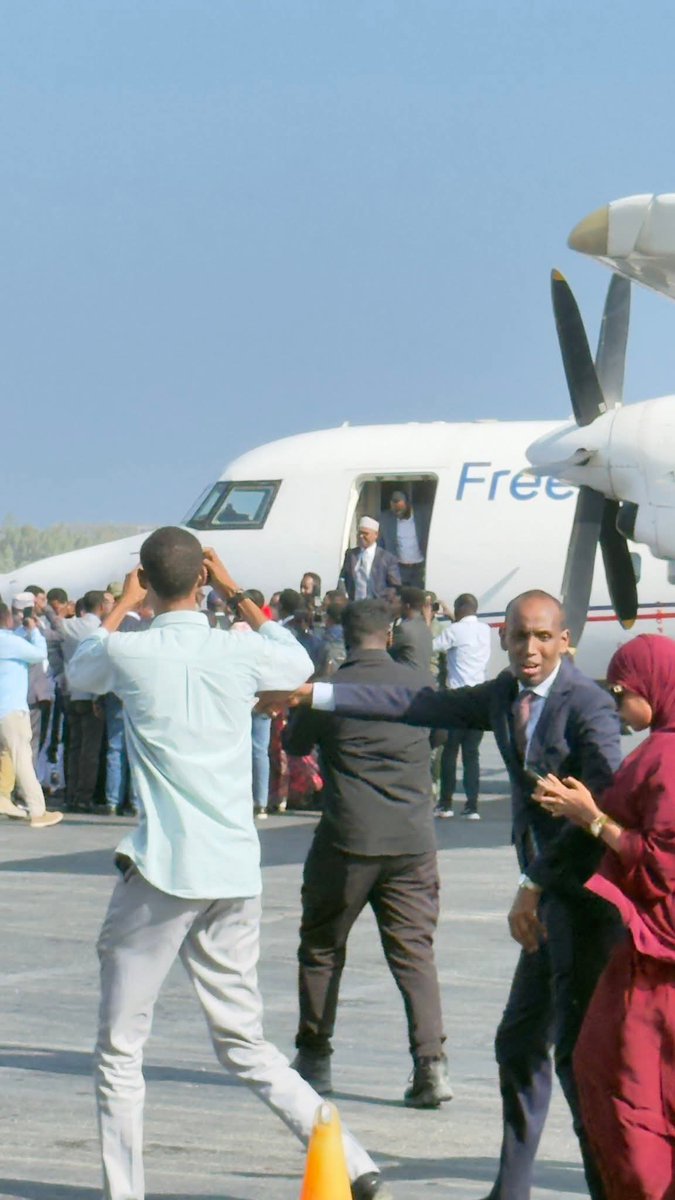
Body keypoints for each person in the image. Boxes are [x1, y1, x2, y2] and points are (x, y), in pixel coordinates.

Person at [67, 527, 390, 1200]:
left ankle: (125, 1192)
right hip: (232, 868)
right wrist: (236, 590)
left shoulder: (128, 650)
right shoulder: (238, 649)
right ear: (201, 579)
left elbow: (81, 669)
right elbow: (297, 663)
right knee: (244, 1043)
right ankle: (349, 1157)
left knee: (121, 1049)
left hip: (164, 869)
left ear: (145, 579)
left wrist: (123, 604)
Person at [276, 590, 622, 1200]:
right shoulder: (503, 695)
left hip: (587, 904)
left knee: (575, 1058)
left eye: (543, 637)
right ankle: (510, 1191)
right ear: (502, 639)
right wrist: (319, 694)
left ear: (565, 641)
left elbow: (601, 805)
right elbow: (415, 703)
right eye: (520, 636)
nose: (531, 649)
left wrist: (535, 881)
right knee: (519, 1045)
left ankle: (610, 1186)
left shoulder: (587, 704)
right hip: (547, 900)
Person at [284, 599, 451, 1108]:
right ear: (390, 635)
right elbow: (439, 735)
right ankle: (431, 1065)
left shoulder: (329, 689)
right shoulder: (419, 685)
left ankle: (315, 1057)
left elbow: (294, 744)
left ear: (344, 634)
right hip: (412, 841)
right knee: (414, 954)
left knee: (322, 947)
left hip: (348, 840)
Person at [535, 634, 675, 1200]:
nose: (617, 706)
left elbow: (663, 863)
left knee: (623, 1085)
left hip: (657, 967)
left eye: (622, 692)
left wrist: (591, 817)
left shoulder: (666, 757)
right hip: (646, 959)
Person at [0, 602, 62, 828]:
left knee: (6, 754)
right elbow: (39, 654)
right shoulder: (9, 642)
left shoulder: (10, 640)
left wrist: (22, 629)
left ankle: (2, 798)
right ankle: (38, 811)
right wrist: (34, 630)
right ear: (6, 618)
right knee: (22, 758)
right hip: (12, 709)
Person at [433, 593, 492, 820]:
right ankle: (472, 806)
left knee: (450, 753)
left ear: (458, 610)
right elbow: (465, 630)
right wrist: (454, 617)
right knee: (471, 755)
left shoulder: (454, 631)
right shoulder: (485, 630)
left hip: (457, 699)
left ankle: (446, 804)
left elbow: (433, 646)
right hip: (479, 700)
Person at [60, 590, 107, 812]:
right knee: (90, 751)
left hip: (72, 691)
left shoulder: (69, 626)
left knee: (74, 747)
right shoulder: (100, 629)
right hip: (91, 694)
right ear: (101, 606)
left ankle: (70, 794)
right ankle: (84, 796)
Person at [378, 490, 431, 588]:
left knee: (419, 595)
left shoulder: (423, 516)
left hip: (420, 568)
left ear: (408, 504)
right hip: (399, 568)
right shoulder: (385, 519)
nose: (397, 513)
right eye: (394, 510)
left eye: (400, 509)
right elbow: (380, 545)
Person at [338, 517, 401, 601]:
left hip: (377, 604)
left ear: (376, 535)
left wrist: (384, 601)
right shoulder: (351, 555)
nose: (361, 536)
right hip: (355, 603)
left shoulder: (387, 558)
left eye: (365, 533)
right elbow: (343, 578)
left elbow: (395, 585)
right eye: (359, 533)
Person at [389, 586, 433, 672]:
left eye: (399, 603)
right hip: (424, 675)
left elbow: (389, 655)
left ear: (407, 606)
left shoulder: (403, 628)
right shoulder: (425, 626)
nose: (397, 607)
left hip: (407, 676)